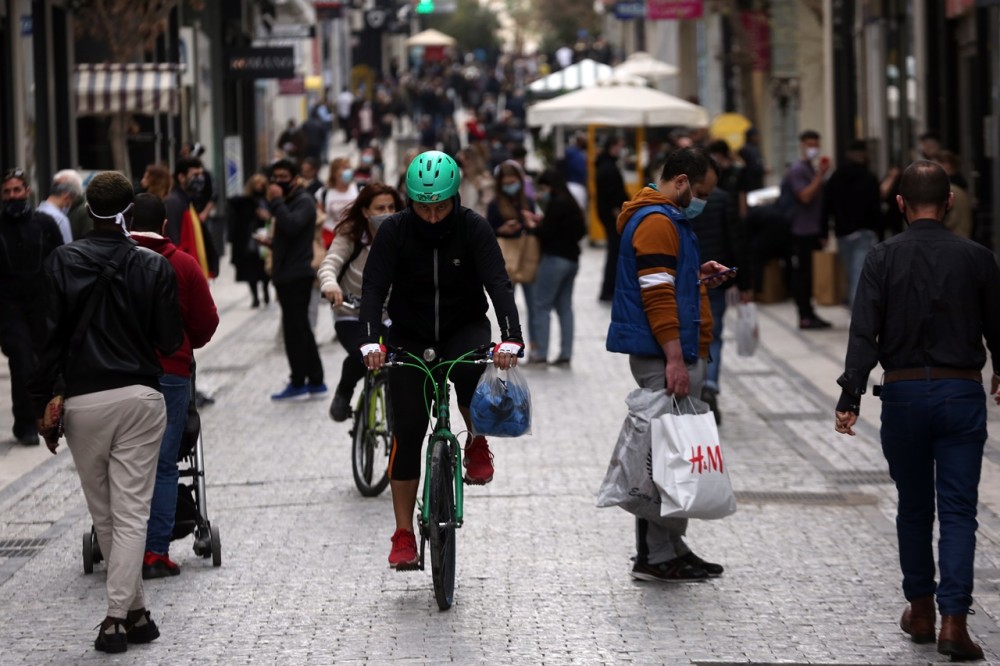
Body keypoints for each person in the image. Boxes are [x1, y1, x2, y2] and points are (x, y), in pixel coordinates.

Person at [834, 161, 1000, 662]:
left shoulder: (881, 258)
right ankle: (954, 620)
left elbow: (864, 330)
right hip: (960, 395)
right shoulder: (978, 257)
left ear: (900, 203)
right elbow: (998, 324)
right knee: (957, 511)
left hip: (903, 397)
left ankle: (921, 609)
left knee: (913, 506)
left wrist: (850, 396)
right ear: (949, 202)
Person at [29, 171, 183, 653]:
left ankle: (134, 613)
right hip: (138, 395)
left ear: (85, 210)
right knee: (132, 511)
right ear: (130, 214)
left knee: (106, 515)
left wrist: (42, 403)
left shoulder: (61, 262)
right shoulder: (153, 267)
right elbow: (168, 339)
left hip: (83, 401)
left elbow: (46, 340)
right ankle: (120, 615)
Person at [358, 151, 524, 569]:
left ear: (455, 198)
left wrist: (511, 338)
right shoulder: (393, 232)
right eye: (423, 208)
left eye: (441, 207)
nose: (432, 217)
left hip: (463, 326)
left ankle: (477, 440)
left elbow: (498, 284)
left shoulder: (474, 228)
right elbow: (374, 289)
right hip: (409, 336)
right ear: (409, 202)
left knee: (469, 378)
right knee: (408, 431)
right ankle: (402, 535)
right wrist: (370, 343)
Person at [606, 147, 732, 583]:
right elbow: (656, 295)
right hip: (664, 354)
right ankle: (654, 555)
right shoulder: (658, 221)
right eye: (699, 192)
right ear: (680, 181)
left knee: (675, 454)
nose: (701, 201)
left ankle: (671, 546)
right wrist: (675, 358)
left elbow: (665, 281)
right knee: (663, 456)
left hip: (671, 350)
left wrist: (696, 276)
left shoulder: (666, 218)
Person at [129, 194, 219, 579]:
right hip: (170, 372)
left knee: (125, 465)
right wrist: (184, 343)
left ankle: (122, 549)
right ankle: (155, 552)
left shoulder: (112, 260)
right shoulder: (183, 263)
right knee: (164, 464)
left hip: (119, 374)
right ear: (165, 225)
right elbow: (206, 324)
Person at [318, 183, 403, 421]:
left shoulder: (404, 235)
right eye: (379, 208)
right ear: (365, 211)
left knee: (398, 358)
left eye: (391, 207)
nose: (386, 212)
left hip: (389, 316)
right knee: (362, 354)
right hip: (351, 313)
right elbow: (330, 263)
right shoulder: (351, 235)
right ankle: (344, 391)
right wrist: (331, 285)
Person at [0, 168, 64, 446]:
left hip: (42, 306)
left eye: (17, 190)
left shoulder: (45, 224)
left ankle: (46, 417)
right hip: (9, 308)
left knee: (43, 363)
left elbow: (60, 262)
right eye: (7, 192)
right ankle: (25, 423)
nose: (12, 196)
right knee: (22, 361)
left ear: (27, 191)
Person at [266, 159, 327, 401]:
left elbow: (291, 226)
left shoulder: (303, 201)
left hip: (297, 275)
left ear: (294, 178)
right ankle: (312, 379)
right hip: (286, 274)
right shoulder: (290, 201)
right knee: (298, 330)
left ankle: (302, 380)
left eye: (283, 176)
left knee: (297, 331)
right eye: (275, 176)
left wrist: (277, 202)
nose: (278, 181)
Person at [691, 183, 751, 425]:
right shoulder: (724, 198)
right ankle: (709, 385)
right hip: (715, 277)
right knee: (713, 335)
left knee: (695, 334)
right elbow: (736, 239)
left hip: (691, 275)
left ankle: (698, 387)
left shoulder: (684, 200)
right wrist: (744, 282)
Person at [531, 170, 586, 366]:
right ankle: (565, 354)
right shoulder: (571, 203)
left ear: (550, 186)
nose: (542, 192)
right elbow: (580, 231)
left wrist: (533, 226)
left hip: (554, 259)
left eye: (543, 188)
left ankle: (541, 353)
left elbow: (546, 233)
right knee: (564, 308)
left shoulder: (555, 203)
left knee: (541, 304)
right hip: (572, 259)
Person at [487, 160, 540, 361]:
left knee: (533, 304)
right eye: (506, 181)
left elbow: (534, 226)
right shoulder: (495, 204)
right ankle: (508, 344)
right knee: (506, 302)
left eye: (513, 181)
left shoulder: (527, 200)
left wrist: (528, 223)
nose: (510, 185)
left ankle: (535, 346)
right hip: (506, 256)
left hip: (525, 253)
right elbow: (489, 230)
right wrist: (502, 230)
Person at [823, 139, 881, 309]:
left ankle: (854, 310)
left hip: (843, 232)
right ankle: (856, 313)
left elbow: (826, 205)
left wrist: (824, 231)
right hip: (864, 231)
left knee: (851, 273)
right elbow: (875, 207)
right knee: (859, 274)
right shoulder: (869, 178)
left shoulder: (836, 177)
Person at [783, 129, 832, 329]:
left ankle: (809, 313)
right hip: (799, 231)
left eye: (816, 144)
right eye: (810, 144)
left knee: (810, 275)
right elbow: (805, 196)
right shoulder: (798, 170)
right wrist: (820, 176)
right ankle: (805, 315)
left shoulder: (809, 169)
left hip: (812, 230)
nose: (814, 148)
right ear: (802, 145)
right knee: (803, 275)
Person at [227, 174, 272, 308]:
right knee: (250, 271)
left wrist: (267, 216)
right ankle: (255, 297)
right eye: (256, 185)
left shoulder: (268, 201)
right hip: (248, 241)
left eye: (261, 185)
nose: (259, 187)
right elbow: (232, 205)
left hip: (265, 239)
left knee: (264, 270)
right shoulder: (244, 202)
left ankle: (265, 291)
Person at [163, 157, 213, 277]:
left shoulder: (187, 201)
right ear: (181, 177)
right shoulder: (174, 202)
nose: (200, 179)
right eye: (195, 174)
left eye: (201, 174)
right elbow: (173, 242)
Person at [596, 136, 628, 302]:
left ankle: (608, 289)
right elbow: (613, 193)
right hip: (614, 217)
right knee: (614, 253)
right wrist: (618, 211)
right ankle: (608, 289)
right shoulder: (609, 168)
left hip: (609, 216)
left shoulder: (605, 165)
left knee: (614, 253)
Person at [317, 157, 359, 250]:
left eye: (349, 168)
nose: (347, 171)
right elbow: (319, 216)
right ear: (335, 172)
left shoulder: (357, 189)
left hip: (352, 234)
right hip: (330, 234)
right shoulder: (324, 192)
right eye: (344, 168)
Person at [37, 169, 83, 244]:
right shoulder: (61, 220)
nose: (69, 205)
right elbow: (67, 252)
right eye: (71, 201)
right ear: (67, 197)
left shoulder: (37, 211)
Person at [935, 150, 974, 239]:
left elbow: (953, 217)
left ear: (947, 165)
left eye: (938, 164)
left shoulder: (949, 188)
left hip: (953, 235)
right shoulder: (961, 185)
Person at [738, 127, 765, 192]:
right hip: (752, 182)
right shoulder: (750, 150)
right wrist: (763, 170)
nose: (758, 138)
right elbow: (755, 166)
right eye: (756, 136)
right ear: (752, 137)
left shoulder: (746, 148)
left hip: (749, 182)